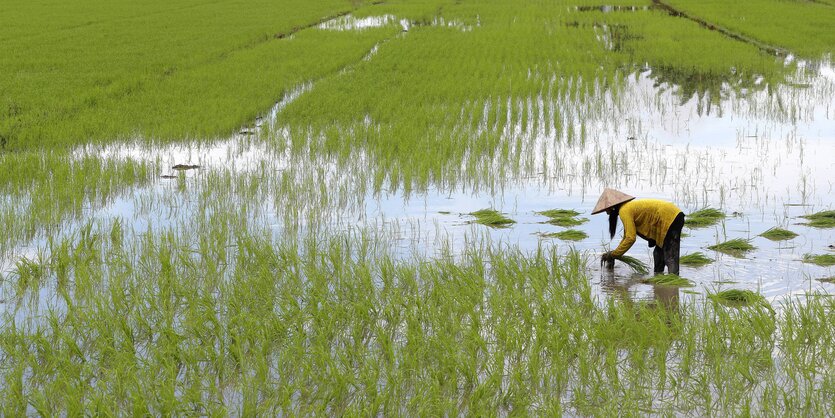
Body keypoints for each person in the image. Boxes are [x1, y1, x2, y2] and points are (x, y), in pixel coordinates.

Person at [592, 188, 685, 274]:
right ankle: (659, 282)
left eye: (607, 210)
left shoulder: (624, 211)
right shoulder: (627, 208)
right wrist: (614, 253)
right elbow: (626, 236)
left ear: (612, 207)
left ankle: (673, 285)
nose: (607, 213)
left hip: (670, 217)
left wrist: (613, 255)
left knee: (670, 256)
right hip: (669, 216)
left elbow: (630, 238)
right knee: (658, 254)